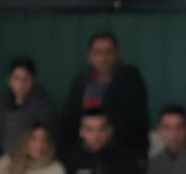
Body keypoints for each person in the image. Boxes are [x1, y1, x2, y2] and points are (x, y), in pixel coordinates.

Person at [57, 31, 149, 159]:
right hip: (85, 153)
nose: (103, 57)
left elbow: (133, 124)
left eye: (108, 52)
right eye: (98, 52)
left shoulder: (132, 82)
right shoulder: (80, 83)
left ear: (117, 54)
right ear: (89, 56)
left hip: (122, 155)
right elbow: (70, 120)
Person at [0, 57, 54, 174]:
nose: (20, 85)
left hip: (27, 161)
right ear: (9, 80)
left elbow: (45, 141)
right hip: (1, 159)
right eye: (16, 79)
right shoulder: (1, 103)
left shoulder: (43, 106)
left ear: (33, 81)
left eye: (25, 80)